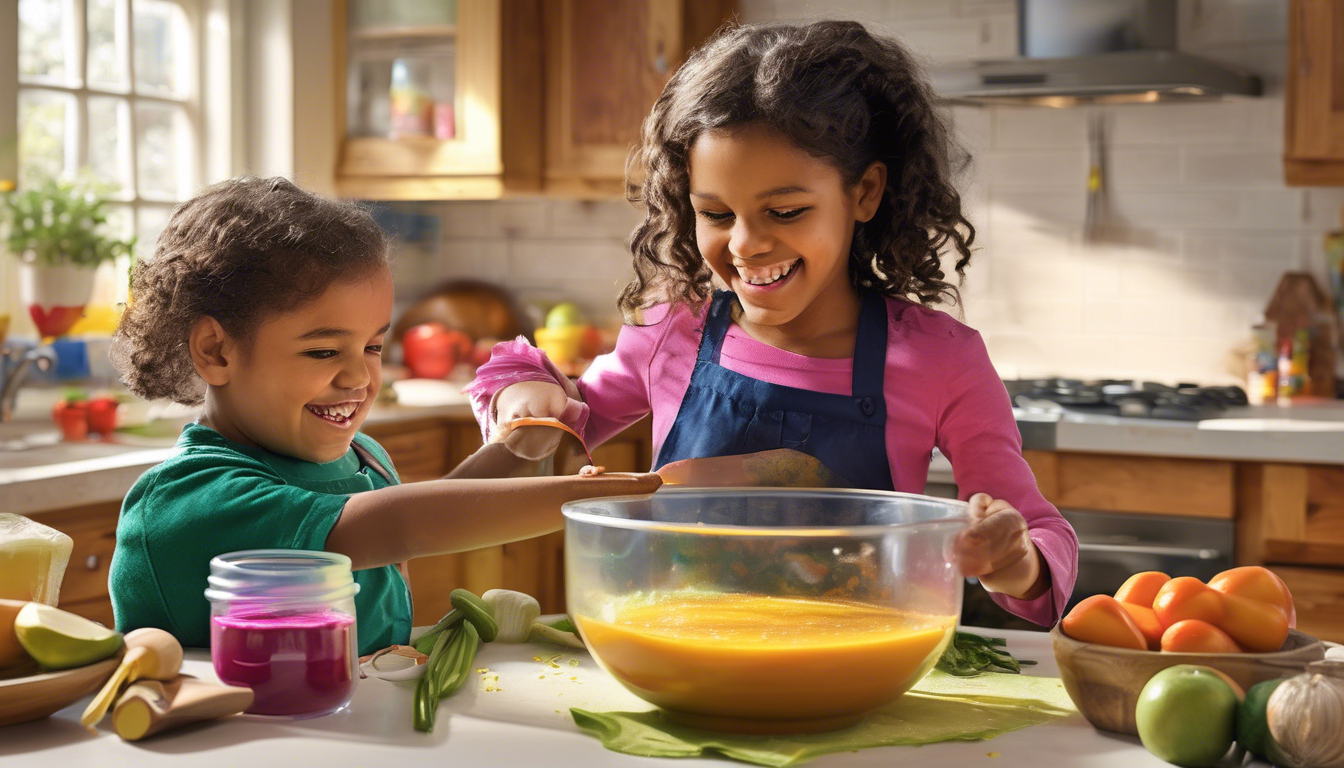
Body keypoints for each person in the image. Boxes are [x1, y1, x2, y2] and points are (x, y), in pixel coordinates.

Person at [468, 21, 1077, 625]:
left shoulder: (941, 360)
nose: (746, 244)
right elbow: (556, 427)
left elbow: (1041, 537)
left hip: (851, 672)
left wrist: (1012, 555)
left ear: (864, 193)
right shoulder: (671, 332)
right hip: (680, 656)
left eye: (785, 211)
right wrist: (521, 394)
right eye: (716, 213)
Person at [108, 176, 661, 654]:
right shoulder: (192, 500)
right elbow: (398, 526)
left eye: (373, 347)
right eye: (324, 351)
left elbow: (433, 510)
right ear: (216, 351)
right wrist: (608, 496)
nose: (359, 378)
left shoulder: (361, 457)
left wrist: (511, 450)